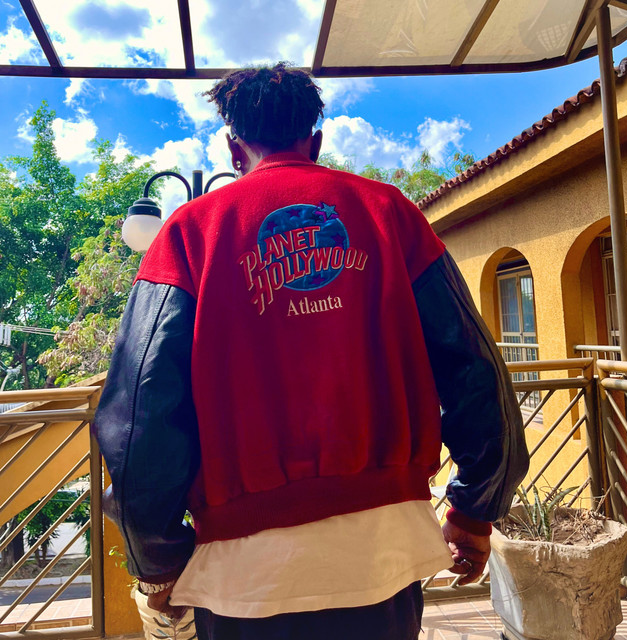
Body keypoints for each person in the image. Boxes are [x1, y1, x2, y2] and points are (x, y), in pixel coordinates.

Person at [94, 63, 529, 640]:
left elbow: (141, 410)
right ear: (316, 142)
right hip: (387, 550)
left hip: (244, 572)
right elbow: (473, 364)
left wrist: (157, 555)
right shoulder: (391, 213)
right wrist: (474, 509)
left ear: (234, 147)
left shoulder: (188, 233)